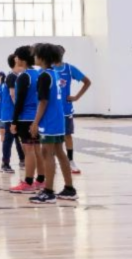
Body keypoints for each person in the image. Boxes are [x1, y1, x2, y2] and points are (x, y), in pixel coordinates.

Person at [28, 43, 77, 204]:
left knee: (46, 153)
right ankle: (69, 189)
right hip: (58, 119)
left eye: (36, 55)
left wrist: (35, 122)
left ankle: (48, 192)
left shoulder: (44, 76)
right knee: (60, 153)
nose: (34, 57)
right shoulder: (54, 73)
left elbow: (43, 101)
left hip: (49, 120)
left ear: (42, 57)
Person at [8, 47, 46, 194]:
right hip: (36, 117)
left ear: (21, 58)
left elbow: (19, 101)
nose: (15, 59)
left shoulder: (24, 77)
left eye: (16, 57)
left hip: (26, 118)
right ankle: (41, 180)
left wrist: (14, 121)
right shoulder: (38, 74)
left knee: (28, 151)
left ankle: (28, 182)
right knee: (37, 149)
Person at [53, 46, 91, 174]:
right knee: (52, 137)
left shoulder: (69, 69)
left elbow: (87, 82)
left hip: (65, 109)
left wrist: (77, 97)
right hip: (51, 110)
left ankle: (70, 161)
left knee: (67, 135)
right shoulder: (48, 69)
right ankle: (51, 161)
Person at [0, 50, 30, 173]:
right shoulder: (11, 76)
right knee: (9, 139)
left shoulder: (18, 76)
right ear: (16, 63)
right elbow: (12, 95)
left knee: (18, 138)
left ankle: (22, 160)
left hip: (16, 114)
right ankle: (5, 163)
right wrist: (20, 108)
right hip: (10, 114)